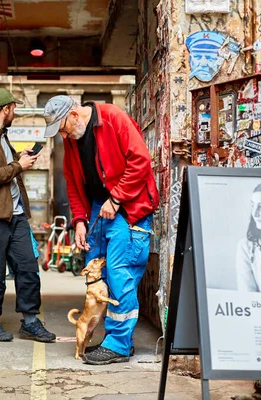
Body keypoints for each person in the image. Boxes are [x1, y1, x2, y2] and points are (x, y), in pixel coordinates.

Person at [43, 95, 159, 365]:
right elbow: (72, 182)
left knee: (119, 272)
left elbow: (140, 161)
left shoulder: (113, 118)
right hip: (98, 206)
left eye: (62, 128)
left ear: (73, 115)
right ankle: (117, 340)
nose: (63, 136)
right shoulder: (71, 139)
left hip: (128, 204)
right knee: (97, 268)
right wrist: (80, 220)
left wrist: (117, 198)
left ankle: (118, 344)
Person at [0, 88, 56, 343]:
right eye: (14, 108)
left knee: (28, 267)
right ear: (6, 109)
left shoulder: (2, 137)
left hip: (15, 215)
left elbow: (3, 167)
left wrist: (19, 158)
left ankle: (30, 321)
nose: (14, 112)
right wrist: (18, 166)